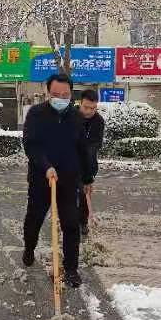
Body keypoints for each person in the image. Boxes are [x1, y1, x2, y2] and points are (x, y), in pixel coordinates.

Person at [22, 73, 92, 288]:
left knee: (71, 224)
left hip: (69, 180)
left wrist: (88, 177)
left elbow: (83, 150)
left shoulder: (77, 118)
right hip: (41, 178)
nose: (60, 98)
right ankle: (29, 247)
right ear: (48, 93)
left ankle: (71, 269)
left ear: (71, 94)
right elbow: (30, 145)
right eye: (56, 94)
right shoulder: (36, 114)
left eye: (65, 94)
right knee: (34, 219)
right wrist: (46, 166)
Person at [77, 89, 105, 236]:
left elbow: (92, 148)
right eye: (86, 107)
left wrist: (89, 177)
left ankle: (82, 222)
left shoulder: (98, 122)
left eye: (93, 108)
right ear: (80, 103)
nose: (89, 111)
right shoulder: (70, 116)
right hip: (69, 162)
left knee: (83, 193)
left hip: (88, 164)